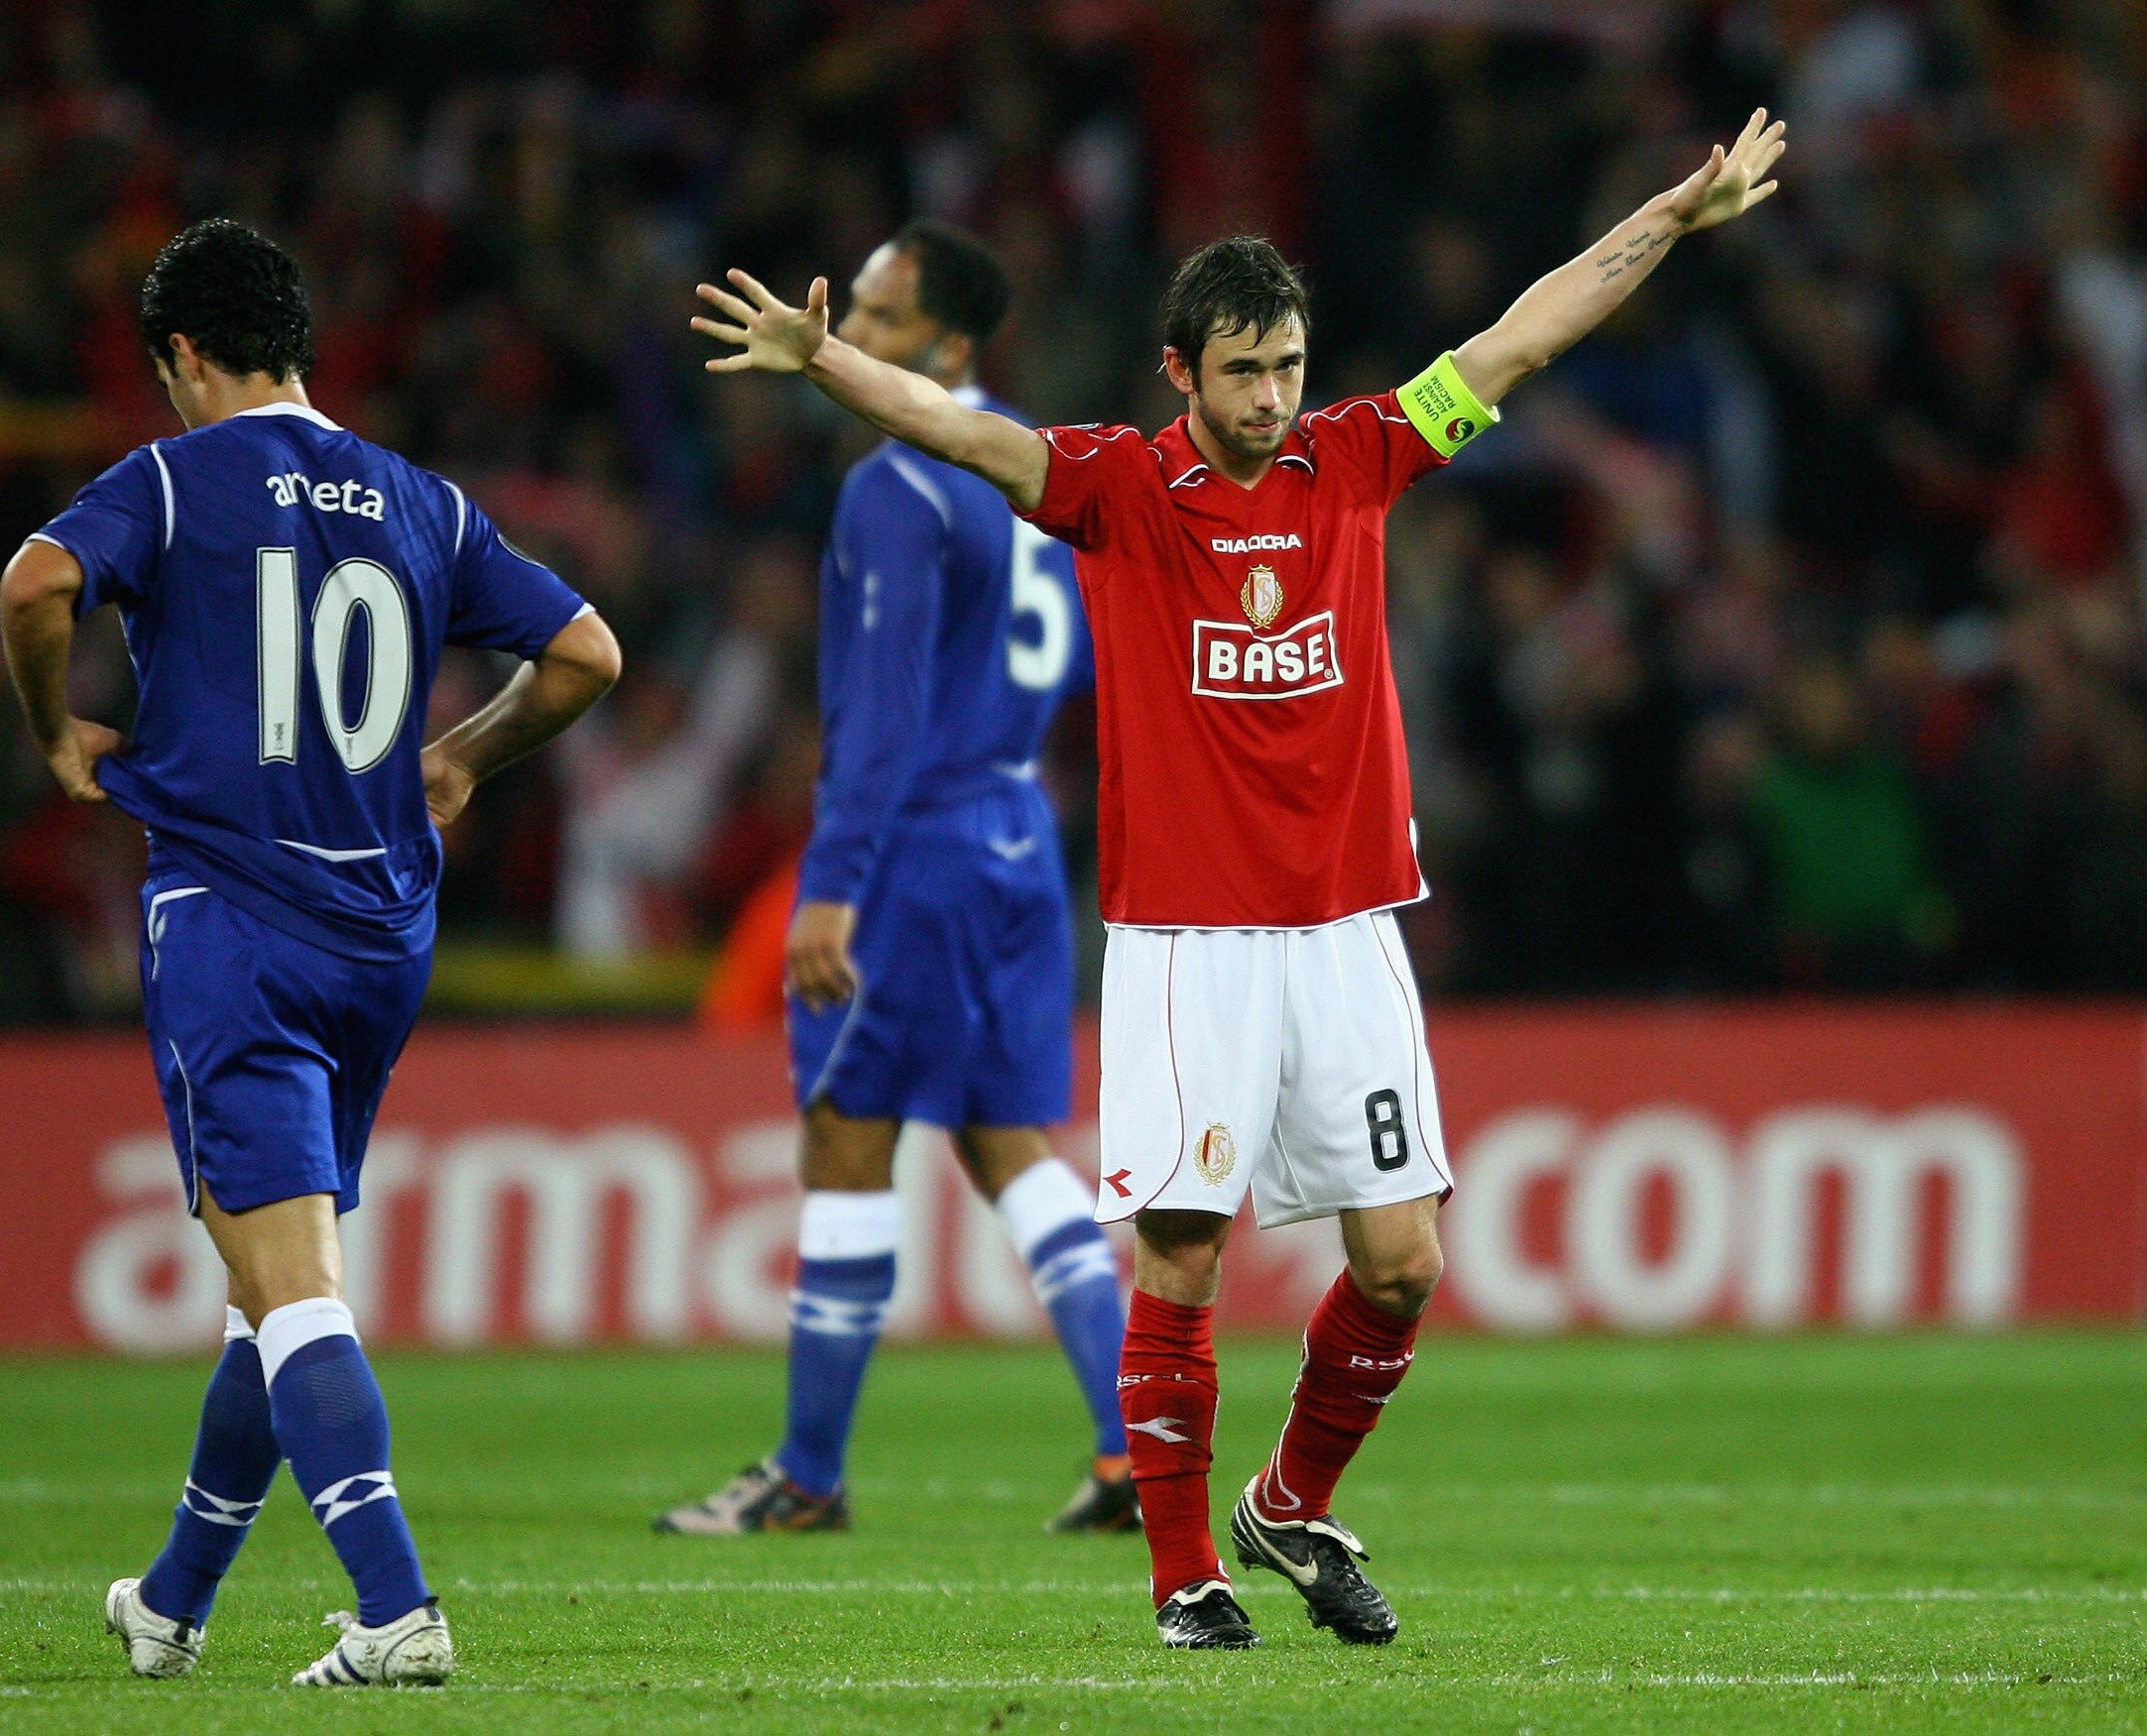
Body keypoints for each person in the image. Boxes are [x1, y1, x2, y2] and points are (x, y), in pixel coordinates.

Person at [692, 113, 1787, 1646]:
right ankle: (1181, 1576)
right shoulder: (1115, 491)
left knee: (1403, 1267)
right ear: (1180, 374)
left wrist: (1672, 216)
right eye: (1245, 371)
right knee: (1185, 1253)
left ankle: (1288, 1503)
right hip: (1190, 939)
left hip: (1347, 929)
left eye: (1287, 364)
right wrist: (826, 364)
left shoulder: (1363, 455)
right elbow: (958, 434)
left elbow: (1527, 333)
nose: (1274, 398)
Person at [0, 219, 621, 1686]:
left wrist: (54, 741)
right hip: (381, 935)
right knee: (263, 1285)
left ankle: (397, 1607)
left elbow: (33, 587)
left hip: (235, 921)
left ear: (185, 358)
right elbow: (588, 651)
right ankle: (173, 1600)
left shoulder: (167, 477)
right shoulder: (421, 499)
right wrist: (462, 755)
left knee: (292, 1288)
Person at [657, 221, 1133, 1537]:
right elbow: (1084, 663)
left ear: (949, 348)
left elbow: (880, 709)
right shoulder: (1036, 470)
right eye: (852, 303)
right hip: (1019, 834)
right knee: (1013, 1151)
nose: (847, 327)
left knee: (843, 1138)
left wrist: (834, 879)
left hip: (917, 848)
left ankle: (809, 1475)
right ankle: (1130, 1449)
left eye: (876, 313)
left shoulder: (900, 482)